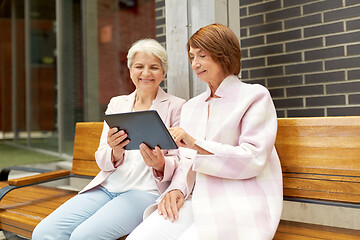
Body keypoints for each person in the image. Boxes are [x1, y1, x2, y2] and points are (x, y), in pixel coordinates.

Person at [127, 24, 283, 240]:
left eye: (202, 55)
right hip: (195, 198)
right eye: (192, 57)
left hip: (238, 200)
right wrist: (177, 189)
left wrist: (194, 143)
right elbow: (185, 162)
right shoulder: (192, 106)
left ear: (224, 55)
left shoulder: (255, 96)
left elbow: (253, 157)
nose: (195, 64)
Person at [32, 39, 186, 240]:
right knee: (44, 232)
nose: (146, 73)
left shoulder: (177, 107)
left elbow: (183, 160)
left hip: (144, 193)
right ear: (130, 70)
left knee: (83, 237)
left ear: (163, 73)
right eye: (139, 66)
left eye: (154, 67)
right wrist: (115, 151)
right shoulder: (117, 104)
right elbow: (101, 158)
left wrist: (160, 163)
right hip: (107, 187)